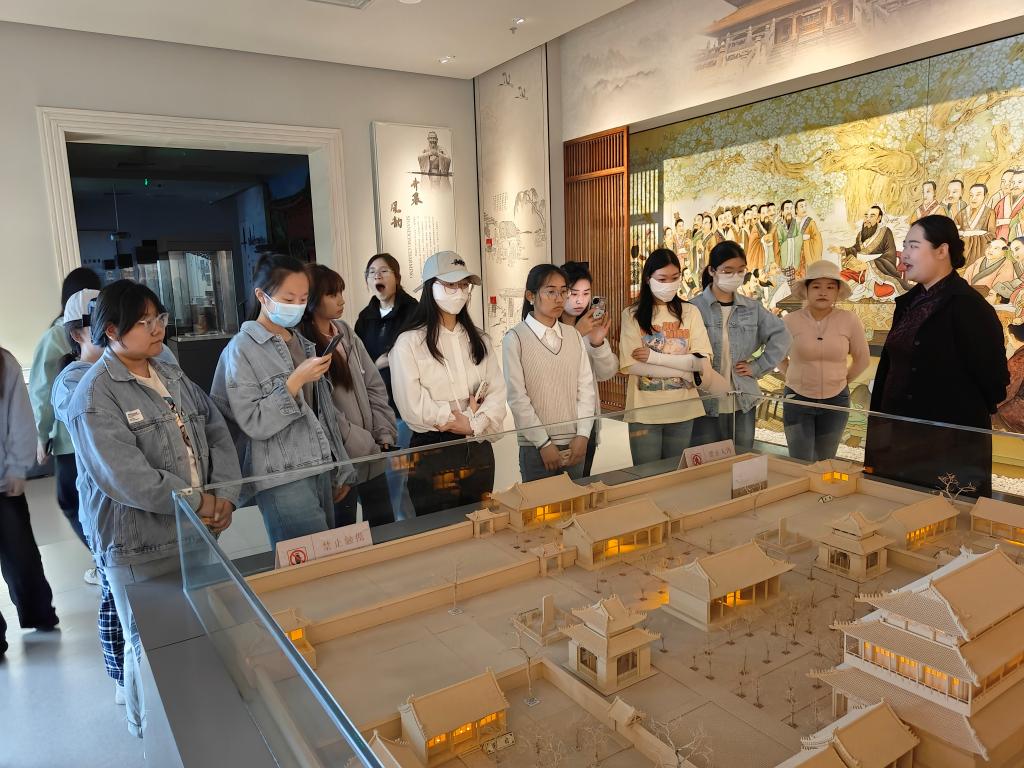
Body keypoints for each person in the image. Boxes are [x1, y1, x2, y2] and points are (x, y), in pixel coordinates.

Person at [64, 280, 240, 737]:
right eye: (143, 323)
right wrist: (200, 501)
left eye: (158, 318)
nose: (157, 328)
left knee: (202, 633)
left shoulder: (169, 371)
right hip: (140, 545)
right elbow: (128, 478)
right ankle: (153, 737)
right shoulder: (94, 395)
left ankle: (202, 730)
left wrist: (225, 494)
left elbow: (215, 428)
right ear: (110, 330)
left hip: (196, 531)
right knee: (148, 649)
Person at [213, 254, 354, 547]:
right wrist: (293, 383)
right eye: (288, 299)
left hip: (319, 465)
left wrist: (339, 464)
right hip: (282, 475)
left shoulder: (301, 341)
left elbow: (322, 412)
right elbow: (253, 422)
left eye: (303, 299)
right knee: (309, 561)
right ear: (261, 296)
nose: (297, 306)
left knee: (326, 558)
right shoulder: (241, 349)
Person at [865, 215, 1008, 497]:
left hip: (947, 443)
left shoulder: (969, 306)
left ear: (942, 251)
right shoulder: (909, 303)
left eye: (914, 246)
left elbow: (993, 380)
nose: (904, 254)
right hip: (898, 434)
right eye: (904, 245)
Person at [390, 251, 507, 516]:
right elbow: (412, 405)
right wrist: (459, 421)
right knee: (438, 527)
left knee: (480, 522)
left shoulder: (480, 340)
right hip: (433, 450)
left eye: (464, 285)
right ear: (430, 287)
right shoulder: (409, 343)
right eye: (450, 284)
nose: (459, 292)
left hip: (477, 447)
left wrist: (475, 424)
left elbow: (497, 393)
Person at [51, 288, 125, 703]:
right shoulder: (74, 379)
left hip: (143, 510)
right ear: (79, 333)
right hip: (106, 509)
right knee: (113, 595)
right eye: (102, 324)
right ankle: (120, 677)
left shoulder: (139, 365)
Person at [300, 264, 397, 528]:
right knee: (343, 532)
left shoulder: (344, 331)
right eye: (332, 294)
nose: (341, 300)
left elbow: (373, 385)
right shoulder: (302, 344)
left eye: (340, 293)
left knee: (384, 526)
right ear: (312, 299)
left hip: (372, 453)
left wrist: (383, 433)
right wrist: (363, 441)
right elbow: (321, 409)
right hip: (340, 461)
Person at [28, 266, 102, 584]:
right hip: (101, 434)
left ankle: (103, 561)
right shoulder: (106, 329)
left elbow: (42, 391)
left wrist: (41, 435)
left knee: (71, 501)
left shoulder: (55, 335)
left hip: (69, 439)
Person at [690, 242, 790, 453]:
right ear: (712, 270)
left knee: (742, 460)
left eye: (740, 271)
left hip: (743, 398)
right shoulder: (693, 308)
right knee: (707, 461)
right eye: (728, 271)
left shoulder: (752, 308)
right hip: (703, 400)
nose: (735, 276)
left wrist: (758, 366)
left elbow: (782, 336)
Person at [619, 248, 713, 465]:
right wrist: (685, 371)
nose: (669, 284)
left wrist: (654, 358)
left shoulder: (690, 312)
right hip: (644, 413)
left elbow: (702, 361)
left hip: (684, 409)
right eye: (662, 279)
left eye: (674, 278)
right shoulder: (631, 315)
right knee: (647, 476)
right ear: (648, 279)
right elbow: (632, 366)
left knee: (676, 476)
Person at [504, 265, 595, 482]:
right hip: (536, 447)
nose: (559, 299)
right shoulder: (515, 338)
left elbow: (586, 389)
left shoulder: (573, 335)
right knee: (540, 504)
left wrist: (583, 435)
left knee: (576, 501)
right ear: (531, 296)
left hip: (574, 443)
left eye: (563, 291)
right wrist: (543, 443)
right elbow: (517, 398)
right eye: (551, 292)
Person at [0, 343, 59, 661]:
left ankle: (38, 613)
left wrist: (16, 467)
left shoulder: (4, 363)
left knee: (21, 556)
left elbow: (20, 418)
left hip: (3, 483)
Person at [779, 261, 869, 461]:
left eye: (830, 287)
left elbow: (862, 359)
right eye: (816, 286)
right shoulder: (789, 321)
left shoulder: (850, 320)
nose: (823, 292)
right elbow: (777, 356)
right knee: (800, 460)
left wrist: (841, 380)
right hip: (797, 398)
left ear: (837, 291)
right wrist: (794, 377)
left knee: (826, 460)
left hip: (836, 401)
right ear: (806, 290)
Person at [354, 253, 418, 518]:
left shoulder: (412, 311)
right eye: (372, 272)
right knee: (389, 482)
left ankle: (401, 530)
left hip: (402, 409)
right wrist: (376, 364)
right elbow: (356, 361)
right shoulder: (365, 317)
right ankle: (404, 529)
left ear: (397, 277)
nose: (377, 276)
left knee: (397, 479)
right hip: (374, 411)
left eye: (384, 271)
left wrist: (391, 359)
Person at [561, 262, 617, 476]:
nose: (579, 300)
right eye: (573, 293)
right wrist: (577, 333)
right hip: (557, 422)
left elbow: (606, 373)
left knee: (582, 483)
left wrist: (598, 343)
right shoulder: (549, 327)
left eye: (586, 294)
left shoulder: (590, 326)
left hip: (588, 421)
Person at [833, 206, 909, 302]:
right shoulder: (860, 234)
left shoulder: (886, 232)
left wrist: (869, 265)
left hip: (877, 272)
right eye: (866, 216)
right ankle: (864, 289)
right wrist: (843, 250)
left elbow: (890, 254)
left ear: (879, 218)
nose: (868, 219)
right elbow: (856, 249)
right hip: (859, 271)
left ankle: (865, 288)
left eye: (872, 216)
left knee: (885, 289)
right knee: (838, 277)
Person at [996, 323, 1024, 434]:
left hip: (1018, 415)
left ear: (1012, 336)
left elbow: (1007, 391)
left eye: (1007, 337)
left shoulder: (1019, 360)